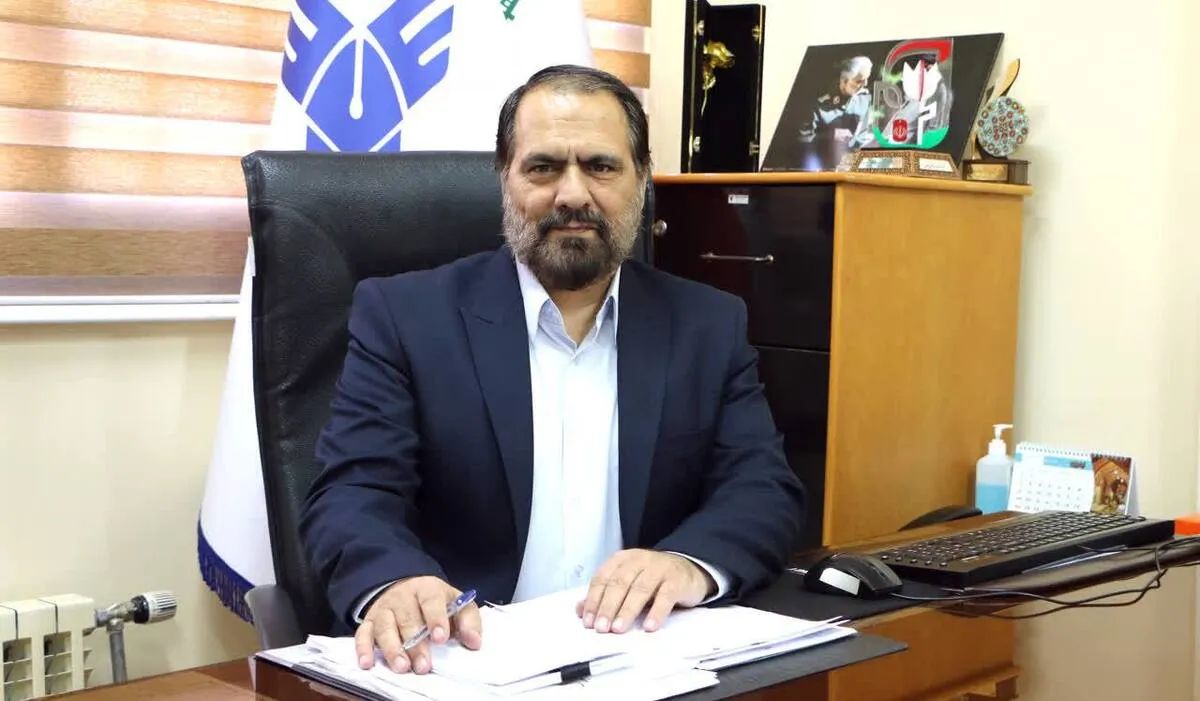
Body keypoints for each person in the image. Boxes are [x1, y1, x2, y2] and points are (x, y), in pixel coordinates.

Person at [299, 64, 806, 677]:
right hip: (465, 662)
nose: (572, 195)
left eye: (601, 166)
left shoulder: (707, 323)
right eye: (543, 167)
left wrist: (688, 564)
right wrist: (396, 582)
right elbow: (355, 492)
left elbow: (761, 489)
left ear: (642, 179)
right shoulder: (405, 316)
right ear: (505, 178)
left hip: (643, 661)